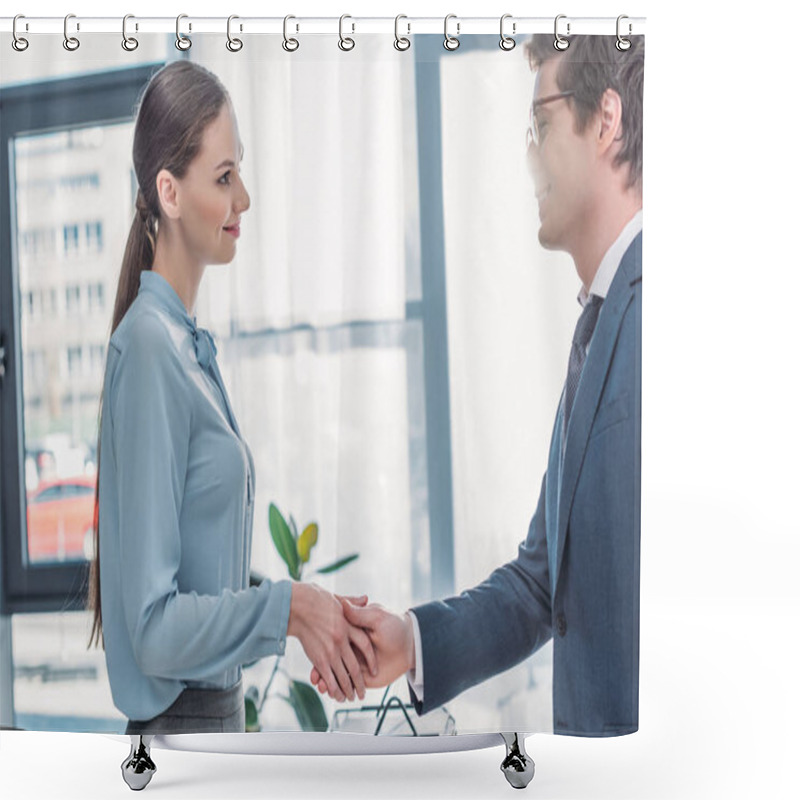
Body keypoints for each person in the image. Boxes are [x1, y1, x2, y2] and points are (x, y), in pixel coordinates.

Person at [312, 33, 644, 737]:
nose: (528, 155)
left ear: (607, 120)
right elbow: (540, 581)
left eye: (543, 125)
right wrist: (409, 641)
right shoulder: (601, 321)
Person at [86, 61, 376, 734]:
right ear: (170, 192)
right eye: (224, 177)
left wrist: (311, 610)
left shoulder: (184, 345)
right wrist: (289, 608)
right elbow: (155, 629)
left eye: (238, 171)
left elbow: (203, 584)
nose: (243, 198)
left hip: (214, 727)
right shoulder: (153, 349)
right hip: (183, 735)